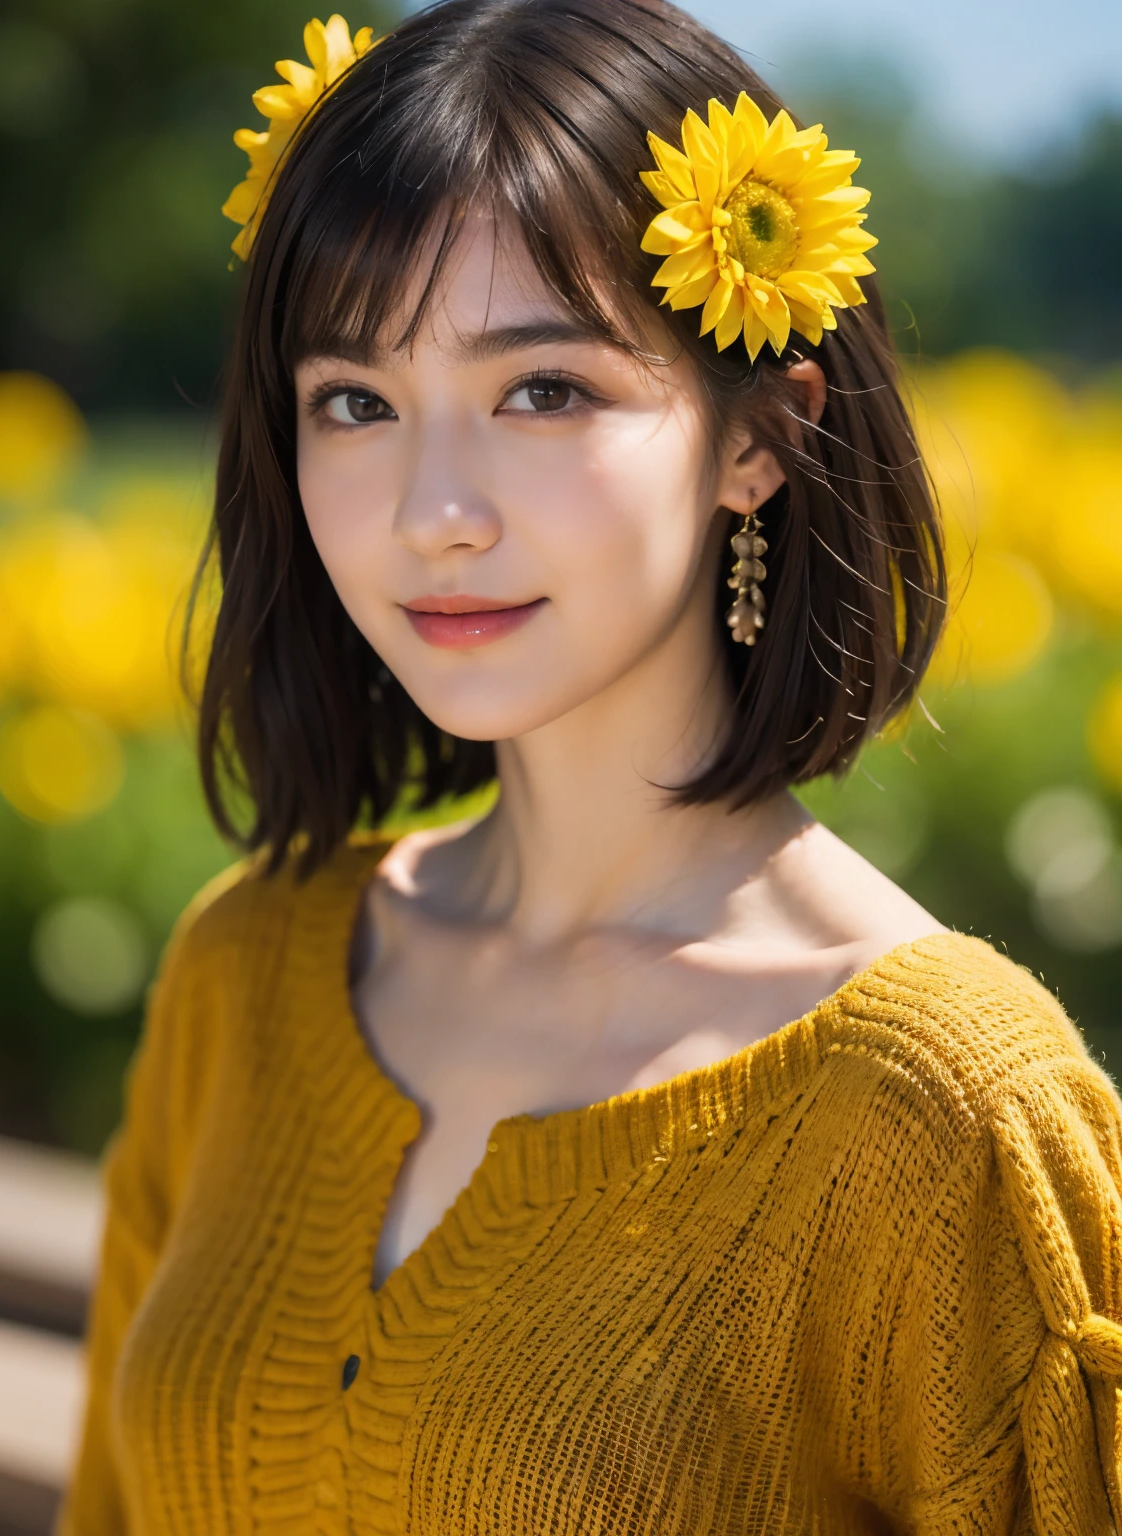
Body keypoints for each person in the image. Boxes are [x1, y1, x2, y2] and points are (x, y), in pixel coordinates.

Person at [59, 0, 1122, 1530]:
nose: (435, 510)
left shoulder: (946, 1112)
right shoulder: (246, 971)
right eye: (355, 402)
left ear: (759, 438)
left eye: (543, 390)